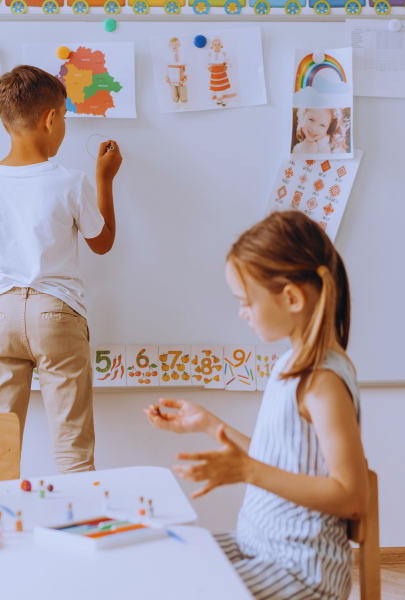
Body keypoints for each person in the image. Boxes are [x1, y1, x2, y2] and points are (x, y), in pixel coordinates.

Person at [145, 211, 367, 600]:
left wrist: (247, 471)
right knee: (161, 560)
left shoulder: (324, 382)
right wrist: (207, 423)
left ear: (292, 298)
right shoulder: (289, 365)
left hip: (303, 571)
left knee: (182, 588)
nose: (241, 311)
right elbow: (282, 459)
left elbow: (351, 496)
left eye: (246, 301)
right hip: (258, 544)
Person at [0, 65, 122, 473]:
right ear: (51, 118)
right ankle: (80, 530)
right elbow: (102, 242)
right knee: (73, 451)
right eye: (64, 115)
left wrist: (2, 280)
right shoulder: (70, 181)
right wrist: (104, 179)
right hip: (56, 312)